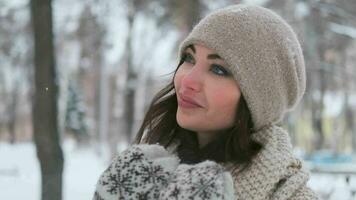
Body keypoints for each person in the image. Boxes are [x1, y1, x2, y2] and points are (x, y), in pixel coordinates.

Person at [94, 4, 320, 200]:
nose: (188, 81)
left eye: (218, 69)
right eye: (189, 59)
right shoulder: (145, 173)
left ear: (259, 99)